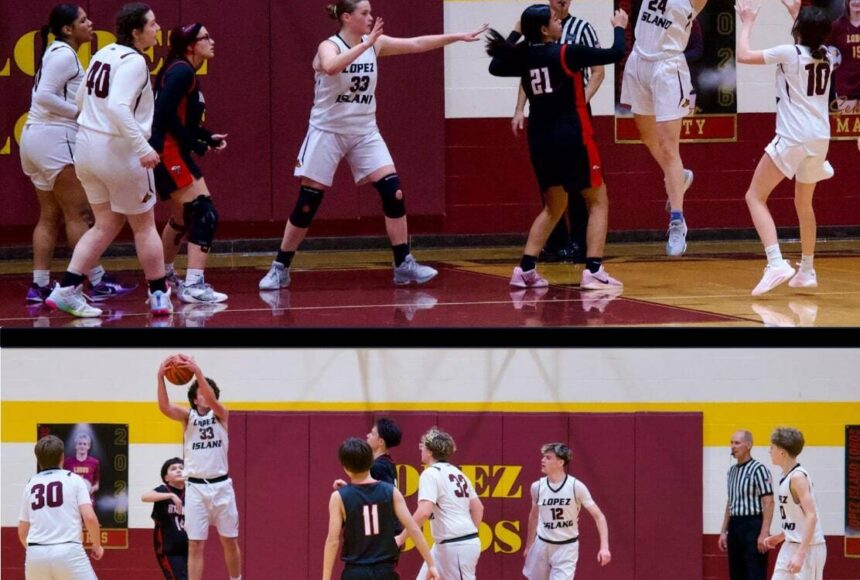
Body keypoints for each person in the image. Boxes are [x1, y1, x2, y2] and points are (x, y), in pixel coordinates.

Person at [258, 1, 487, 291]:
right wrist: (367, 47)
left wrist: (455, 37)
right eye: (364, 13)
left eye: (369, 12)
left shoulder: (373, 43)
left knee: (394, 192)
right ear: (346, 17)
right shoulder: (330, 45)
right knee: (307, 202)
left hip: (364, 130)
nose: (370, 17)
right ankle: (280, 267)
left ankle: (403, 264)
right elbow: (330, 67)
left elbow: (416, 43)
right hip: (327, 131)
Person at [486, 5, 629, 290]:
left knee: (555, 205)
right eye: (553, 20)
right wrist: (619, 27)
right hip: (573, 137)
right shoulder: (567, 52)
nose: (559, 22)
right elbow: (614, 53)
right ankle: (594, 269)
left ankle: (525, 269)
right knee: (599, 200)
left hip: (541, 140)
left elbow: (495, 65)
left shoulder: (524, 57)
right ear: (543, 29)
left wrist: (516, 32)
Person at [45, 3, 172, 318]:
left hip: (87, 149)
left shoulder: (103, 53)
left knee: (106, 223)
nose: (158, 29)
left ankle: (67, 289)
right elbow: (117, 107)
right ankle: (158, 294)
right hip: (118, 152)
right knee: (144, 226)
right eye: (153, 24)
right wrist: (142, 146)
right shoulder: (135, 62)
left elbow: (79, 99)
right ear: (136, 32)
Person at [20, 4, 137, 305]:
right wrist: (79, 113)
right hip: (54, 138)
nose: (90, 23)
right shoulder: (63, 54)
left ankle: (40, 285)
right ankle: (96, 281)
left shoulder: (57, 52)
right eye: (83, 20)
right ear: (67, 29)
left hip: (35, 138)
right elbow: (42, 96)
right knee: (80, 214)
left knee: (50, 215)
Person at [736, 0, 840, 296]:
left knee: (754, 196)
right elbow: (811, 39)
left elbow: (743, 54)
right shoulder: (829, 56)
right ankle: (807, 270)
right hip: (820, 139)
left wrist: (747, 21)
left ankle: (776, 262)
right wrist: (797, 14)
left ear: (798, 30)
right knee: (803, 204)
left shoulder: (788, 53)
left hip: (794, 136)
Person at [510, 0, 606, 265]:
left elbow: (598, 71)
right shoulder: (537, 30)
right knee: (554, 190)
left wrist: (581, 101)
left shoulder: (582, 28)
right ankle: (555, 242)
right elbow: (526, 74)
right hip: (545, 114)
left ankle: (578, 242)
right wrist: (519, 108)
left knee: (581, 186)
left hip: (572, 112)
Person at [620, 0, 709, 257]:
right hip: (639, 61)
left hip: (668, 67)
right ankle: (678, 178)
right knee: (647, 137)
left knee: (670, 148)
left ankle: (677, 222)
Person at [150, 23, 229, 305]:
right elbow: (163, 113)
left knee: (182, 219)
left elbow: (185, 119)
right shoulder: (181, 70)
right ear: (190, 45)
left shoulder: (183, 71)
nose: (212, 41)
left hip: (172, 150)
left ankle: (165, 276)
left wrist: (206, 137)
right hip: (168, 152)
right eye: (205, 37)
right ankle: (194, 285)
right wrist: (192, 143)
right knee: (205, 213)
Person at [156, 354, 242, 580]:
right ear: (195, 399)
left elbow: (213, 400)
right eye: (202, 392)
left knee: (229, 541)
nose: (207, 395)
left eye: (209, 392)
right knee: (194, 544)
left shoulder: (222, 414)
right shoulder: (188, 417)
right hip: (195, 488)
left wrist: (198, 372)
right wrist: (160, 378)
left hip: (221, 486)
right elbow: (164, 407)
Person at [323, 437, 440, 580]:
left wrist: (325, 578)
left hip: (355, 572)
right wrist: (431, 564)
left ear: (345, 467)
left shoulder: (339, 497)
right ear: (371, 461)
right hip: (385, 571)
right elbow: (414, 528)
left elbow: (333, 541)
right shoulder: (391, 491)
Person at [395, 427, 484, 580]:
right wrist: (469, 533)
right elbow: (478, 508)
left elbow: (424, 512)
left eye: (423, 445)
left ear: (430, 451)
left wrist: (400, 538)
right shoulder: (458, 473)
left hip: (455, 545)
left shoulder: (430, 473)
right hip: (448, 544)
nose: (420, 448)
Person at [18, 435, 104, 578]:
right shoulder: (75, 480)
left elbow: (22, 531)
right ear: (62, 457)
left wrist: (38, 553)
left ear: (38, 460)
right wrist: (97, 545)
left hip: (35, 554)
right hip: (68, 551)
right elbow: (89, 517)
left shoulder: (30, 485)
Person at [522, 442, 611, 579]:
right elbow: (533, 516)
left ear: (560, 462)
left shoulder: (576, 486)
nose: (543, 460)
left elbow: (599, 516)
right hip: (542, 544)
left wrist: (604, 547)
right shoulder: (537, 487)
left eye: (548, 457)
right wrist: (529, 546)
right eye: (543, 457)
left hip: (566, 546)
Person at [764, 427, 827, 579]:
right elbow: (797, 518)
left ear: (782, 452)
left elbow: (811, 516)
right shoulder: (786, 477)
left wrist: (800, 554)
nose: (768, 450)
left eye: (772, 447)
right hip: (789, 544)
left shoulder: (797, 477)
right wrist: (781, 536)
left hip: (808, 548)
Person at [718, 430, 775, 580]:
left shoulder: (759, 469)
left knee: (754, 572)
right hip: (735, 525)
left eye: (737, 443)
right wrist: (724, 531)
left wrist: (764, 532)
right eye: (731, 443)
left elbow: (769, 502)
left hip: (753, 524)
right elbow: (730, 502)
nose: (733, 446)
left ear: (749, 445)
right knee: (736, 573)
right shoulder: (731, 471)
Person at [142, 457, 188, 580]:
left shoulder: (191, 492)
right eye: (173, 469)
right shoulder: (164, 490)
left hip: (189, 547)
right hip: (169, 549)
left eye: (181, 468)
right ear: (166, 477)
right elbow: (145, 497)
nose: (178, 470)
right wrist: (171, 495)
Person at [829, 0, 860, 113]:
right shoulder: (837, 26)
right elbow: (825, 51)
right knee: (848, 127)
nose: (857, 2)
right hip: (845, 86)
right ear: (847, 2)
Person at [63, 432, 100, 498]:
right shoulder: (67, 462)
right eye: (79, 444)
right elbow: (63, 482)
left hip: (88, 499)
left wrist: (92, 489)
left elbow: (97, 484)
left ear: (89, 446)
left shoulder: (95, 462)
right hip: (72, 498)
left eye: (84, 444)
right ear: (76, 446)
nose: (82, 446)